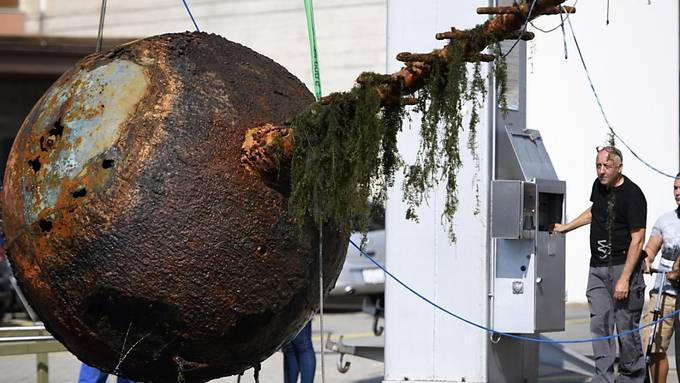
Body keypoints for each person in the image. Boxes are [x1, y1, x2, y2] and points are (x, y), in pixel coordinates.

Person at [554, 145, 647, 382]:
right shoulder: (599, 187)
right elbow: (594, 211)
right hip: (597, 268)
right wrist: (567, 227)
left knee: (626, 330)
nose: (602, 171)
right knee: (600, 326)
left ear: (620, 167)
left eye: (607, 166)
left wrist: (625, 278)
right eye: (598, 165)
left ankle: (631, 377)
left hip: (623, 268)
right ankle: (603, 378)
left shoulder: (633, 195)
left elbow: (638, 240)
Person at [640, 173, 680, 383]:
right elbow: (652, 247)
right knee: (654, 346)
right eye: (675, 188)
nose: (677, 193)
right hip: (663, 294)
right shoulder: (665, 220)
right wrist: (646, 259)